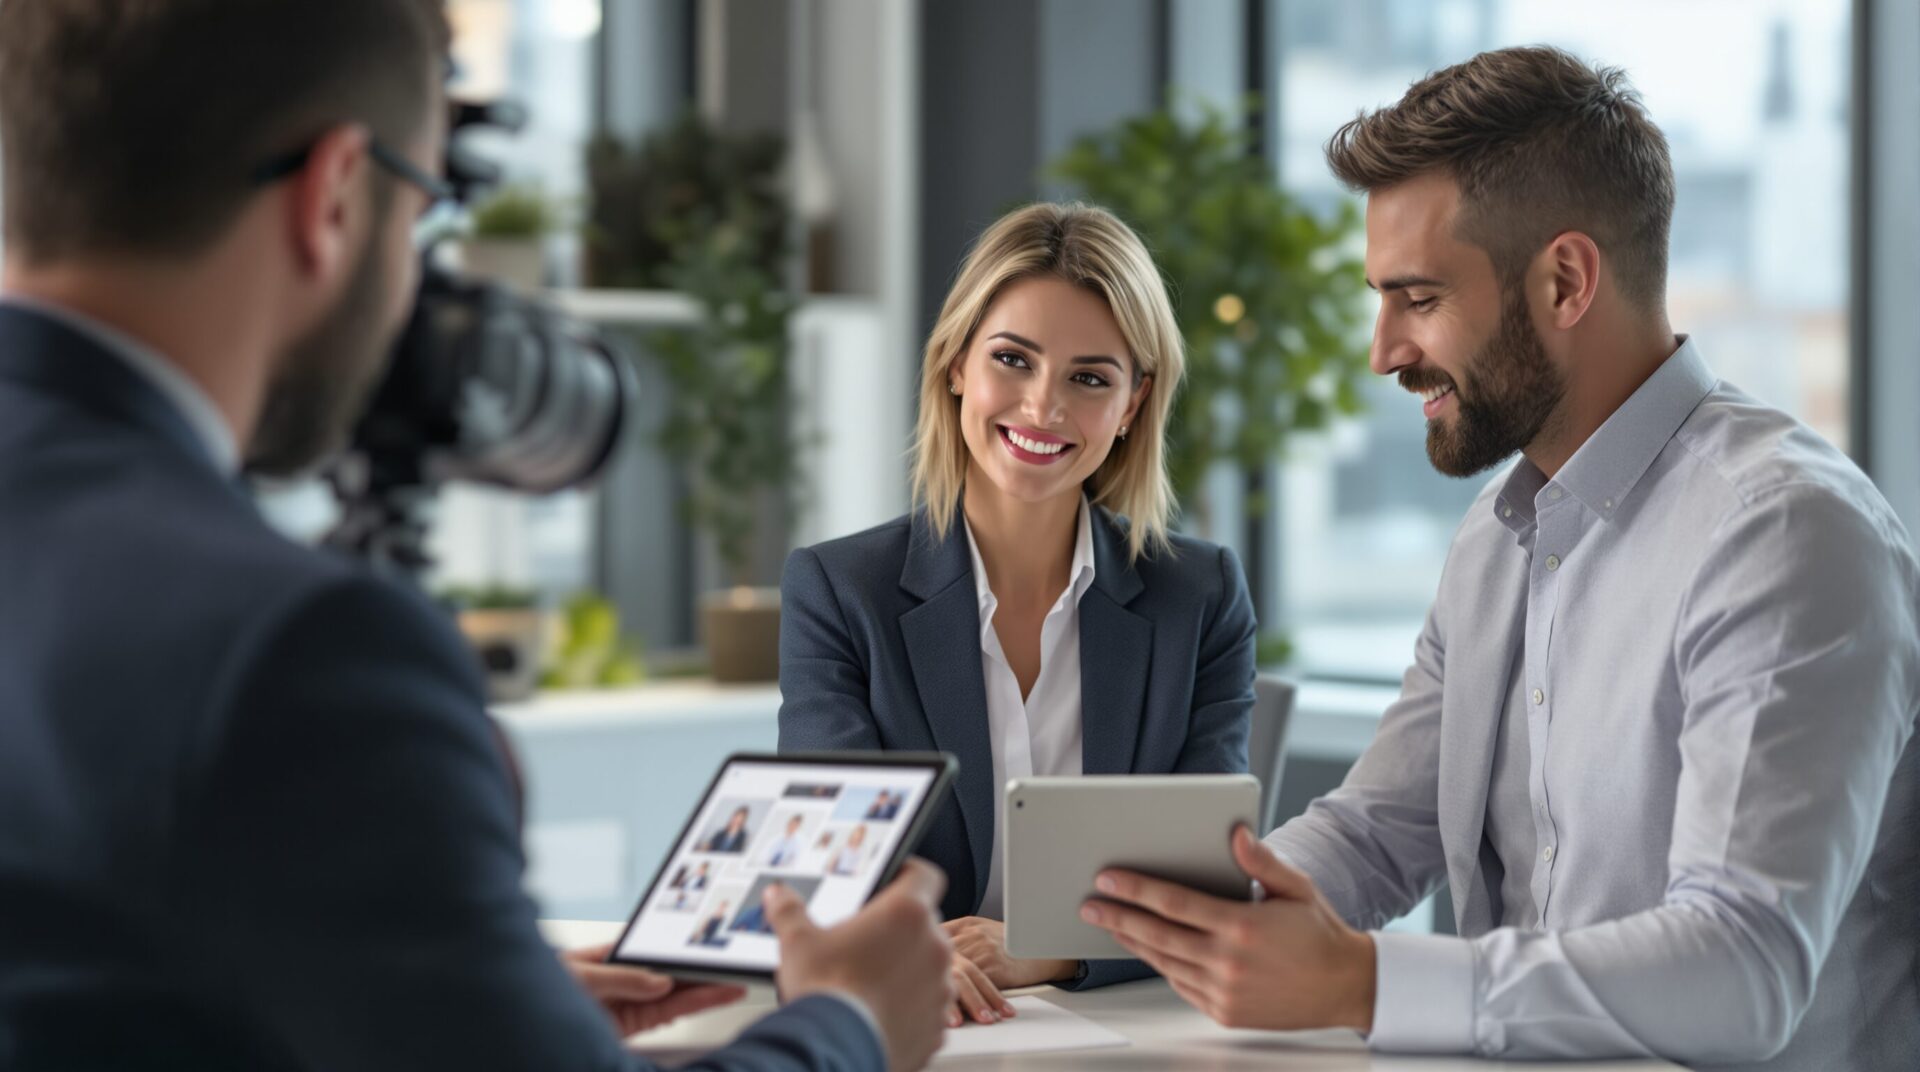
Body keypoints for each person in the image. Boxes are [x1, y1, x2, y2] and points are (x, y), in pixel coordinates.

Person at [0, 4, 954, 1070]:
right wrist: (849, 1022)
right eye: (419, 216)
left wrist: (477, 998)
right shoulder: (298, 646)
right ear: (335, 196)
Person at [1078, 46, 1919, 1071]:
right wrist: (1125, 925)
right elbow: (1377, 831)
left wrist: (1362, 979)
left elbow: (1742, 968)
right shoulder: (1497, 536)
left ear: (1565, 280)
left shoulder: (1780, 533)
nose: (1383, 349)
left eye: (1419, 298)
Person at [779, 201, 1258, 1027]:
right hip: (920, 1025)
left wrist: (1048, 951)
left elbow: (1204, 890)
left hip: (1130, 1030)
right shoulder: (838, 589)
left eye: (1089, 377)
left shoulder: (1201, 596)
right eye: (1013, 359)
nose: (1043, 408)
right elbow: (832, 865)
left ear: (1134, 403)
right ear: (956, 363)